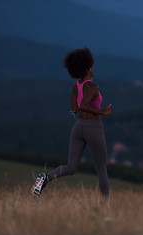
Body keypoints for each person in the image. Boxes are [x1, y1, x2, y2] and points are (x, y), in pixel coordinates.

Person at [31, 47, 112, 197]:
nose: (94, 69)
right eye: (92, 66)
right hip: (94, 128)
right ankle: (105, 203)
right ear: (88, 68)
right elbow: (82, 106)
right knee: (101, 168)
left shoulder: (76, 86)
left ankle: (45, 178)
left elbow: (75, 108)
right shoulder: (93, 87)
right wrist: (103, 112)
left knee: (71, 166)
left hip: (78, 127)